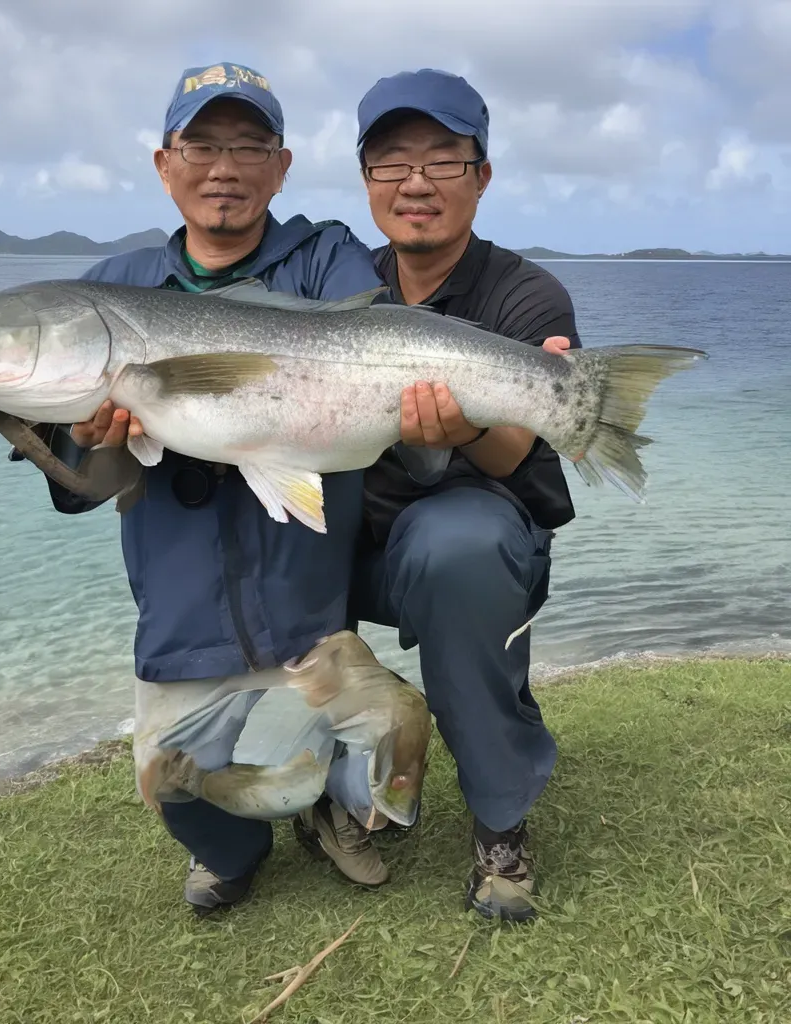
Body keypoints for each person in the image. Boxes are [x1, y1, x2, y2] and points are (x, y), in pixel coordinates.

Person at [36, 62, 395, 915]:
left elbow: (364, 370)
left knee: (375, 759)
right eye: (201, 144)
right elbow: (79, 485)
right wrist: (82, 435)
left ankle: (331, 809)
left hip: (307, 615)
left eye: (247, 146)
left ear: (282, 165)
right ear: (164, 163)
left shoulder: (325, 259)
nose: (223, 167)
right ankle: (238, 849)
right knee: (175, 784)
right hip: (183, 619)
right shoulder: (113, 287)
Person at [295, 68, 581, 924]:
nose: (415, 183)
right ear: (366, 178)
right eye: (391, 163)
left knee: (457, 545)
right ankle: (329, 787)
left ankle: (499, 821)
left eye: (442, 161)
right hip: (353, 542)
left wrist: (454, 430)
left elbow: (509, 453)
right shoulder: (339, 279)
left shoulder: (526, 294)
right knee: (257, 544)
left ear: (481, 176)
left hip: (477, 548)